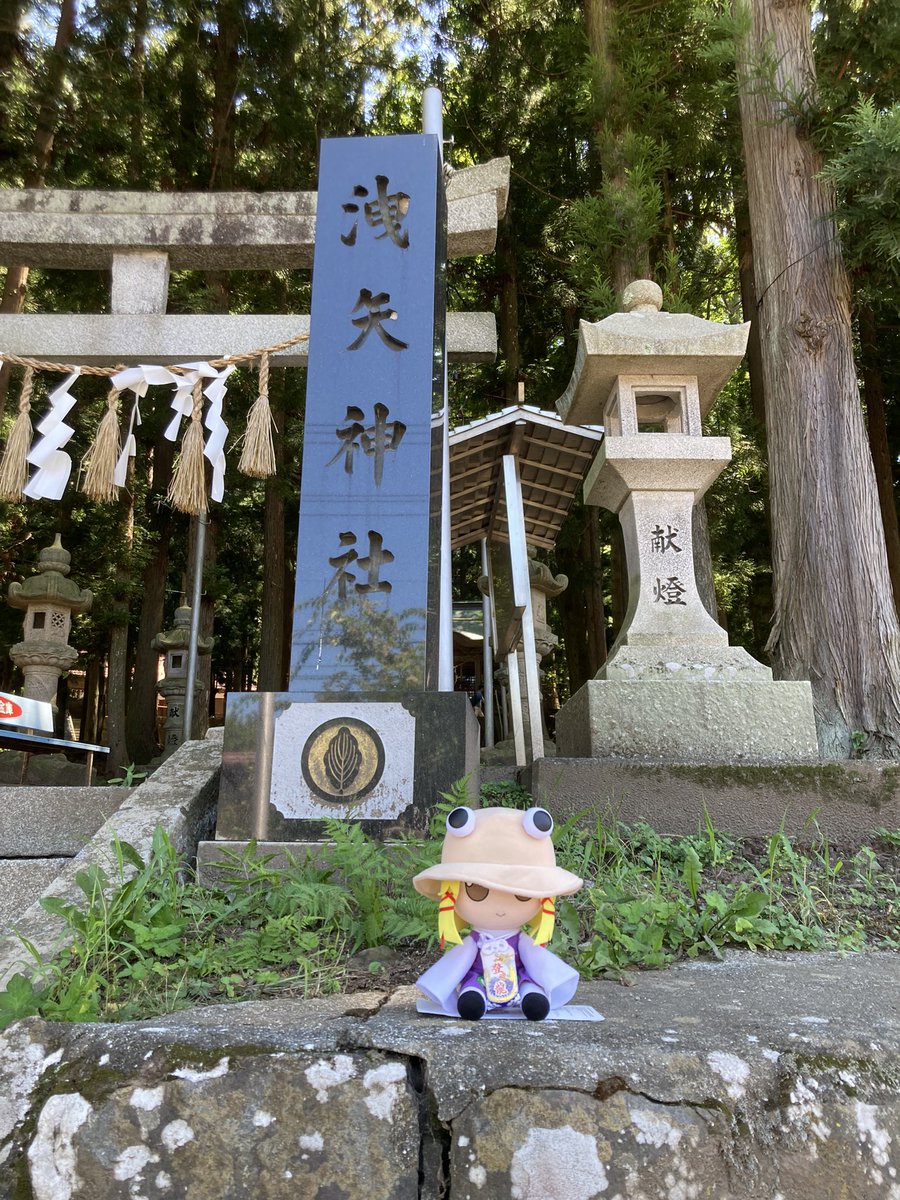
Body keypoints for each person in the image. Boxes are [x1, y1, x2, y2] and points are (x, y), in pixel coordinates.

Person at [412, 805, 583, 1020]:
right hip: (480, 977)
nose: (501, 907)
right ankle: (473, 997)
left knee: (527, 982)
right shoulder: (475, 941)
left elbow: (538, 962)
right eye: (476, 889)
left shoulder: (520, 941)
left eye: (522, 894)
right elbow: (456, 964)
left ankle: (531, 997)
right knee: (473, 986)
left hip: (517, 976)